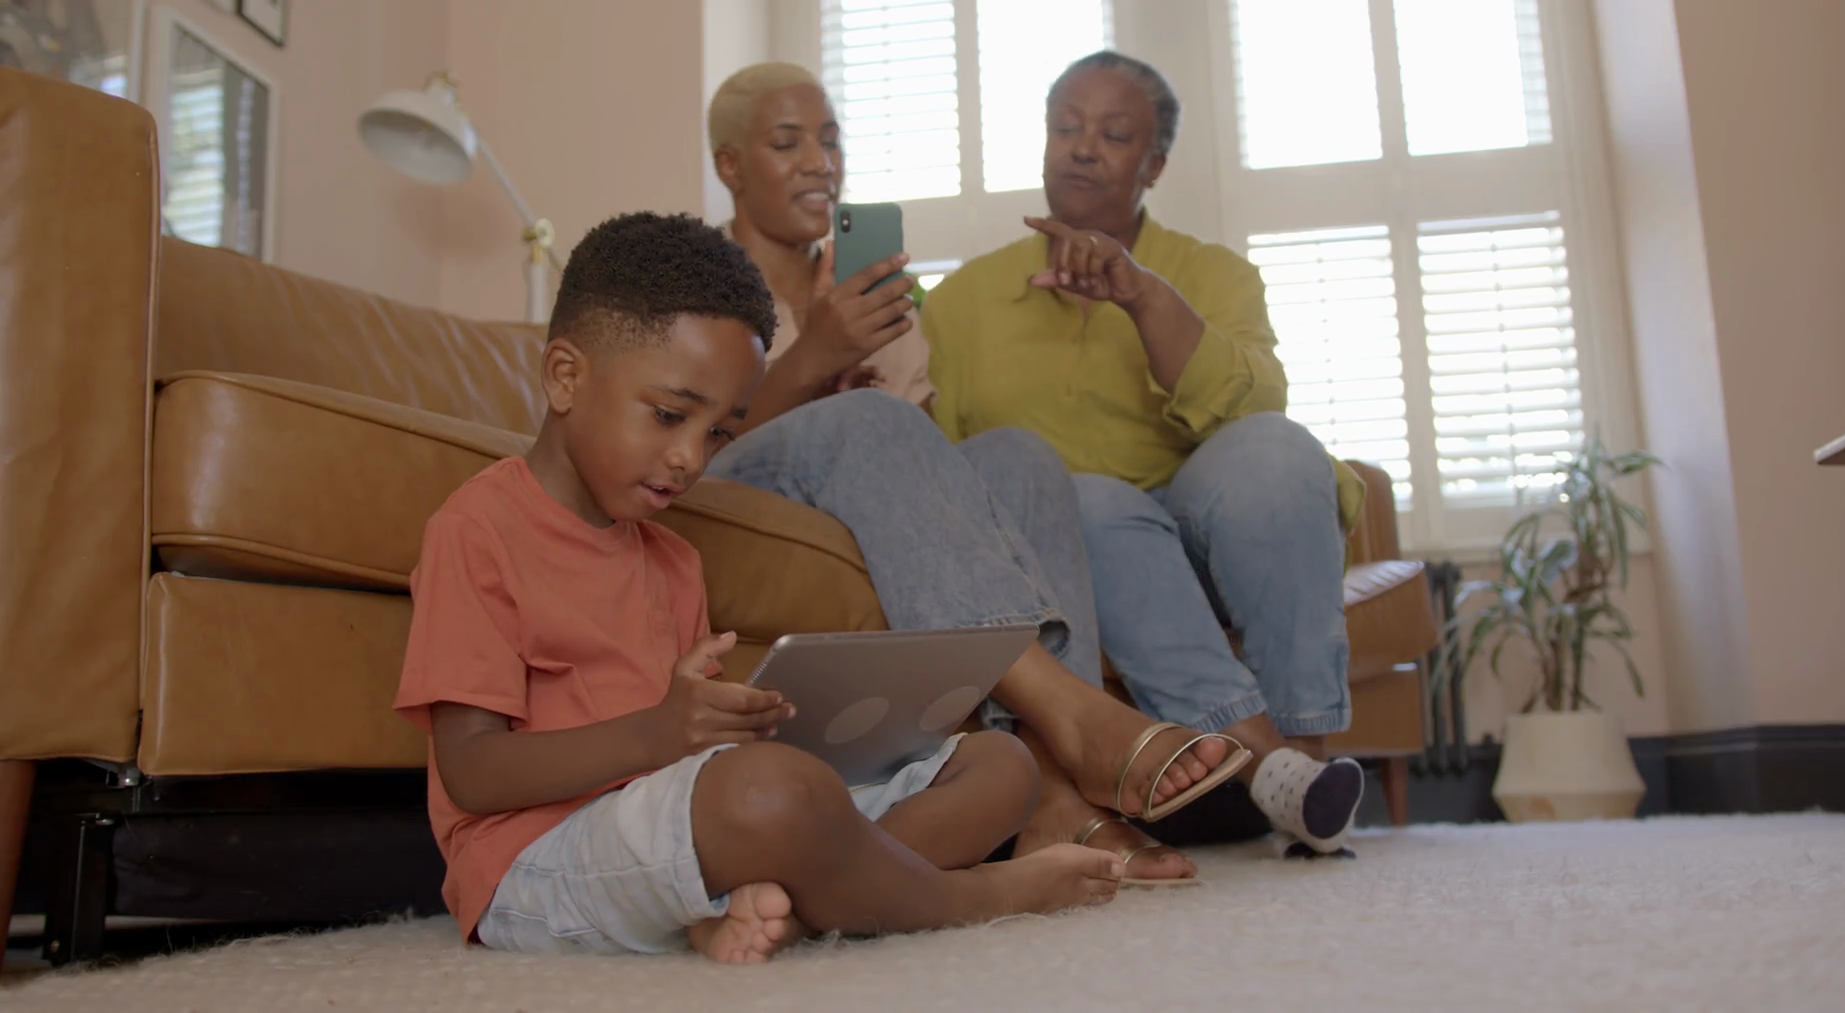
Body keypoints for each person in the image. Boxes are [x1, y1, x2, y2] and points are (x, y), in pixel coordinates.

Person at [393, 212, 1128, 964]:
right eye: (669, 415)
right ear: (565, 377)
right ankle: (974, 897)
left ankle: (800, 906)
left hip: (685, 825)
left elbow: (687, 769)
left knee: (1000, 765)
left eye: (718, 433)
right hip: (534, 859)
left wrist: (733, 725)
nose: (689, 458)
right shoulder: (477, 528)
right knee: (768, 793)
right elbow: (472, 773)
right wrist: (660, 733)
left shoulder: (673, 559)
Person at [703, 62, 1255, 883]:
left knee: (1017, 456)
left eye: (830, 141)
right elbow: (684, 445)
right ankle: (1074, 721)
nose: (819, 162)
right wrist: (814, 357)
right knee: (867, 418)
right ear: (730, 165)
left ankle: (1050, 792)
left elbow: (929, 469)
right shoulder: (695, 278)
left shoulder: (881, 297)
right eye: (788, 144)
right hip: (737, 495)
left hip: (850, 498)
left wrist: (859, 383)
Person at [920, 52, 1370, 854]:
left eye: (1114, 134)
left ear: (1154, 164)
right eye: (1066, 127)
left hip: (1204, 542)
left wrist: (1143, 296)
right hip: (1067, 548)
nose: (1083, 148)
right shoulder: (961, 302)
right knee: (1083, 498)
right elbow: (949, 469)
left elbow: (1255, 409)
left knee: (1277, 450)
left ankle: (1307, 748)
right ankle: (1280, 773)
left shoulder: (1214, 274)